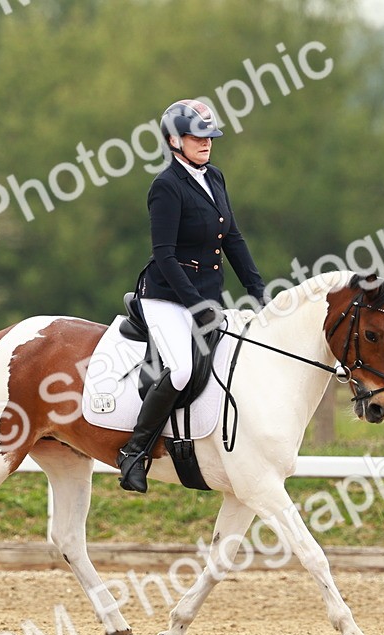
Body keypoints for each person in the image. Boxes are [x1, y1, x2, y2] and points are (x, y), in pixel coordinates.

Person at [117, 99, 267, 493]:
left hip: (206, 297)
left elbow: (232, 238)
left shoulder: (214, 177)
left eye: (209, 136)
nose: (206, 143)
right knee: (181, 369)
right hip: (166, 296)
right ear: (173, 140)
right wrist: (195, 304)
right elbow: (164, 255)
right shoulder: (165, 187)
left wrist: (258, 289)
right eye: (196, 137)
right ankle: (134, 453)